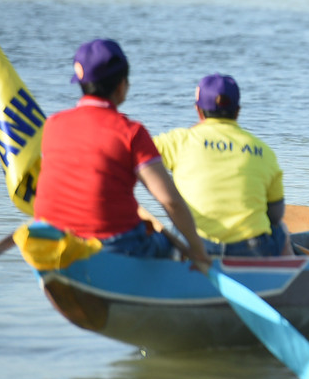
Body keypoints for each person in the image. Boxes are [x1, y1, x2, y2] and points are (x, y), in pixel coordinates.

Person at [34, 39, 210, 270]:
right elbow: (170, 201)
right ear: (121, 85)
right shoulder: (131, 133)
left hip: (52, 239)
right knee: (172, 247)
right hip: (115, 244)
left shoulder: (52, 125)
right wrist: (197, 249)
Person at [154, 74, 289, 257]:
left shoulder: (178, 141)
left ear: (198, 110)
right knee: (281, 229)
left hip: (196, 246)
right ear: (238, 111)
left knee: (172, 227)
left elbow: (130, 154)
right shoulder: (264, 151)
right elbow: (275, 215)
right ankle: (291, 271)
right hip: (252, 249)